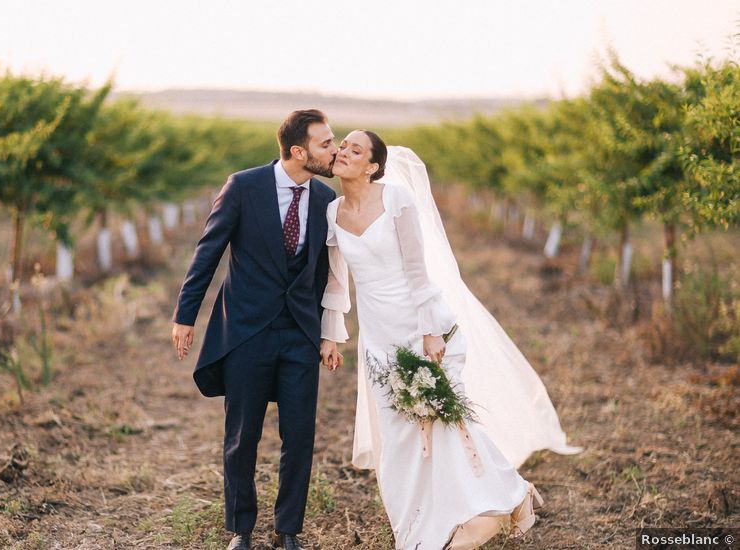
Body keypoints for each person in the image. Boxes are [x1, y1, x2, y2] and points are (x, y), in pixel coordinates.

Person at [320, 130, 580, 550]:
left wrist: (429, 332)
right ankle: (418, 529)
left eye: (355, 149)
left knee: (444, 422)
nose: (344, 152)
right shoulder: (332, 213)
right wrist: (331, 337)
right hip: (377, 340)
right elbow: (336, 283)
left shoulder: (395, 199)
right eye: (342, 146)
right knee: (399, 435)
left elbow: (418, 270)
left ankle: (498, 500)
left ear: (372, 166)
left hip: (420, 329)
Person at [171, 109, 340, 550]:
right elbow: (208, 251)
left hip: (300, 333)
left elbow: (325, 274)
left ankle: (288, 532)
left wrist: (326, 332)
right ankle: (240, 530)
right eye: (326, 143)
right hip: (246, 330)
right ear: (298, 150)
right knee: (242, 435)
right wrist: (185, 315)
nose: (334, 149)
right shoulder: (244, 187)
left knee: (300, 436)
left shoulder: (325, 200)